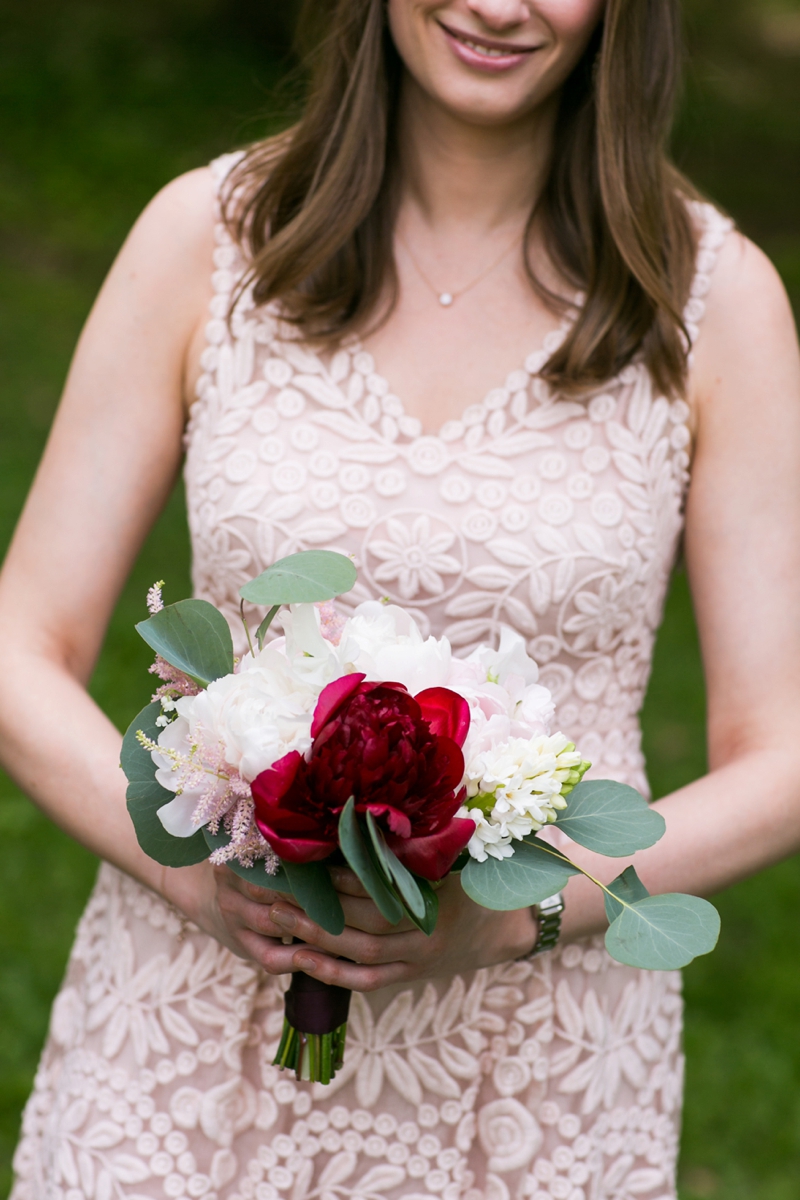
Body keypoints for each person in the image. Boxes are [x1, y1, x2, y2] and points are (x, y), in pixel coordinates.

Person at [2, 0, 799, 1197]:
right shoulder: (207, 238)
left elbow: (780, 751)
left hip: (530, 1059)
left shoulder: (711, 299)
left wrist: (516, 918)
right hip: (188, 1031)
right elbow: (21, 640)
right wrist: (196, 881)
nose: (496, 6)